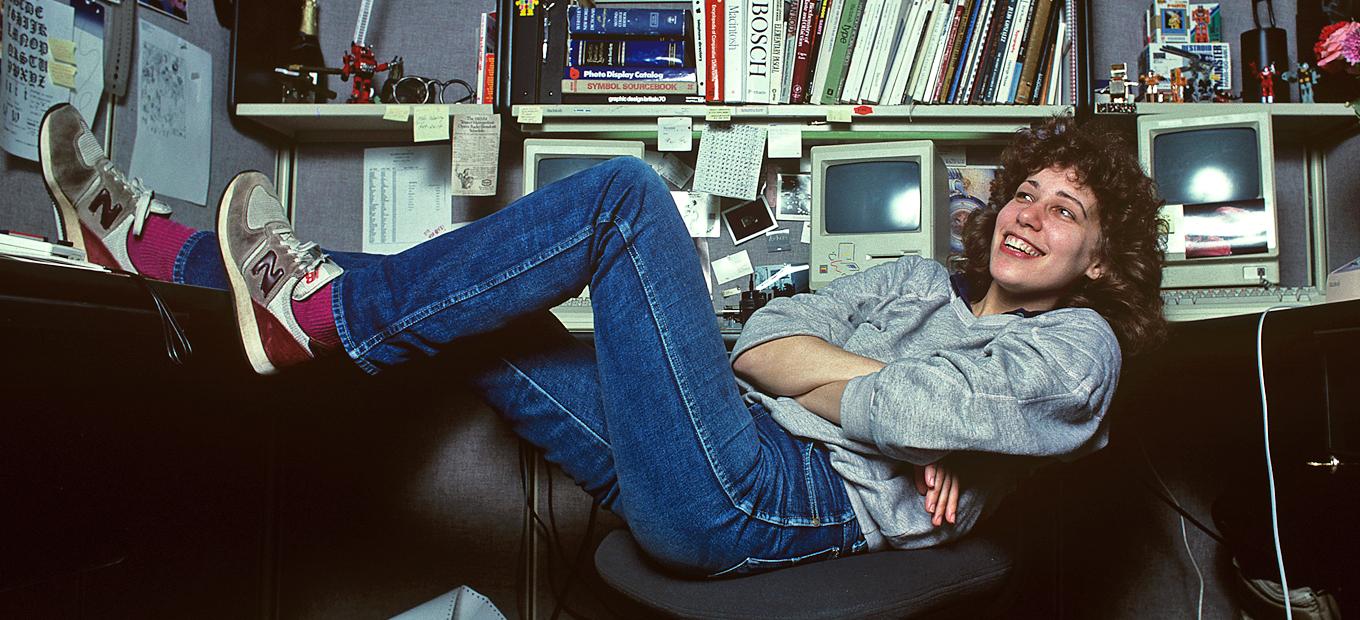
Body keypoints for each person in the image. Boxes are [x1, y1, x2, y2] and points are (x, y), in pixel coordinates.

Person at [37, 103, 1165, 577]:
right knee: (468, 310)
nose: (1027, 212)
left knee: (624, 198)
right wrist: (905, 408)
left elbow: (907, 408)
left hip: (772, 498)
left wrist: (900, 409)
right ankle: (148, 247)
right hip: (719, 440)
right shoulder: (919, 280)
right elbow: (760, 341)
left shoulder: (1079, 349)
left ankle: (314, 316)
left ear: (1100, 259)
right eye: (1025, 191)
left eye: (1066, 208)